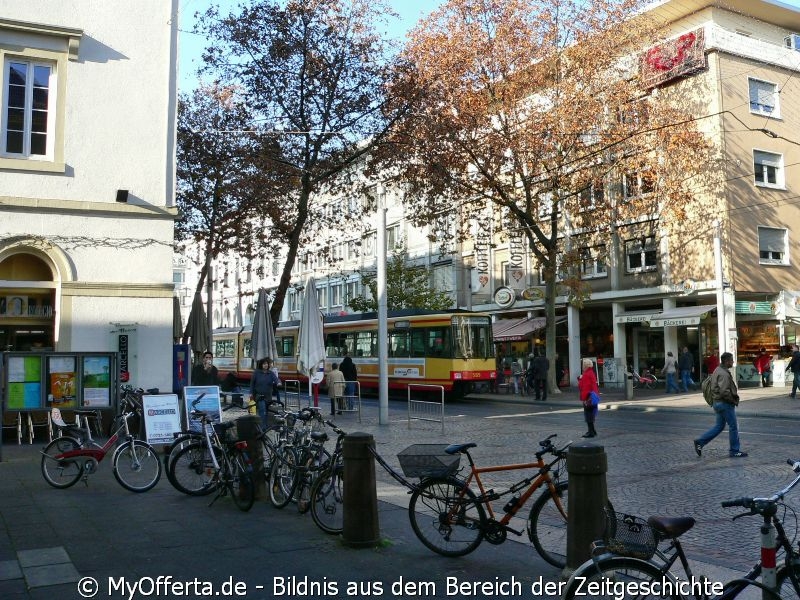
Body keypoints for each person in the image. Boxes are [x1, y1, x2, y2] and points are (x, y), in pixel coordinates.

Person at [693, 352, 747, 458]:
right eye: (731, 360)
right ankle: (734, 450)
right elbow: (724, 392)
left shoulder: (717, 370)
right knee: (733, 426)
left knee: (719, 426)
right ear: (726, 361)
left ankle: (700, 442)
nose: (733, 362)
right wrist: (733, 401)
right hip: (724, 403)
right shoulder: (724, 374)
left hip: (717, 403)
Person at [250, 357, 279, 429]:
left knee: (266, 410)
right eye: (264, 364)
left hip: (268, 396)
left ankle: (264, 424)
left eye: (267, 364)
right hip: (259, 395)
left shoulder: (270, 373)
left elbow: (276, 379)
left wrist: (278, 382)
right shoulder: (256, 373)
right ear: (261, 365)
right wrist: (251, 393)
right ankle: (263, 427)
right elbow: (252, 383)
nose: (266, 365)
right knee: (262, 410)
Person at [578, 358, 599, 438]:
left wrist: (580, 379)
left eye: (583, 365)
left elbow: (583, 387)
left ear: (585, 366)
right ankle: (593, 431)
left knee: (588, 415)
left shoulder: (586, 374)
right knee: (591, 414)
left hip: (588, 397)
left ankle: (591, 432)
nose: (582, 366)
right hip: (594, 396)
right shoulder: (591, 372)